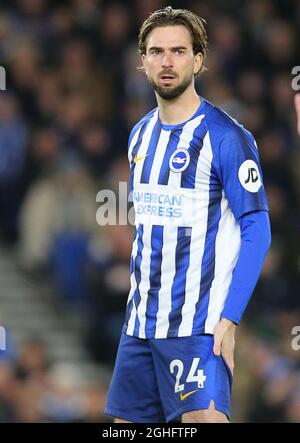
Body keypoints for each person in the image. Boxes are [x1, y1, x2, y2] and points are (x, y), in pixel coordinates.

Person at [105, 6, 271, 423]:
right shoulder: (139, 134)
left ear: (198, 60)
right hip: (140, 326)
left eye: (179, 51)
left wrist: (229, 319)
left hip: (198, 329)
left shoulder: (226, 137)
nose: (167, 61)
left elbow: (258, 230)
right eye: (156, 51)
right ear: (141, 61)